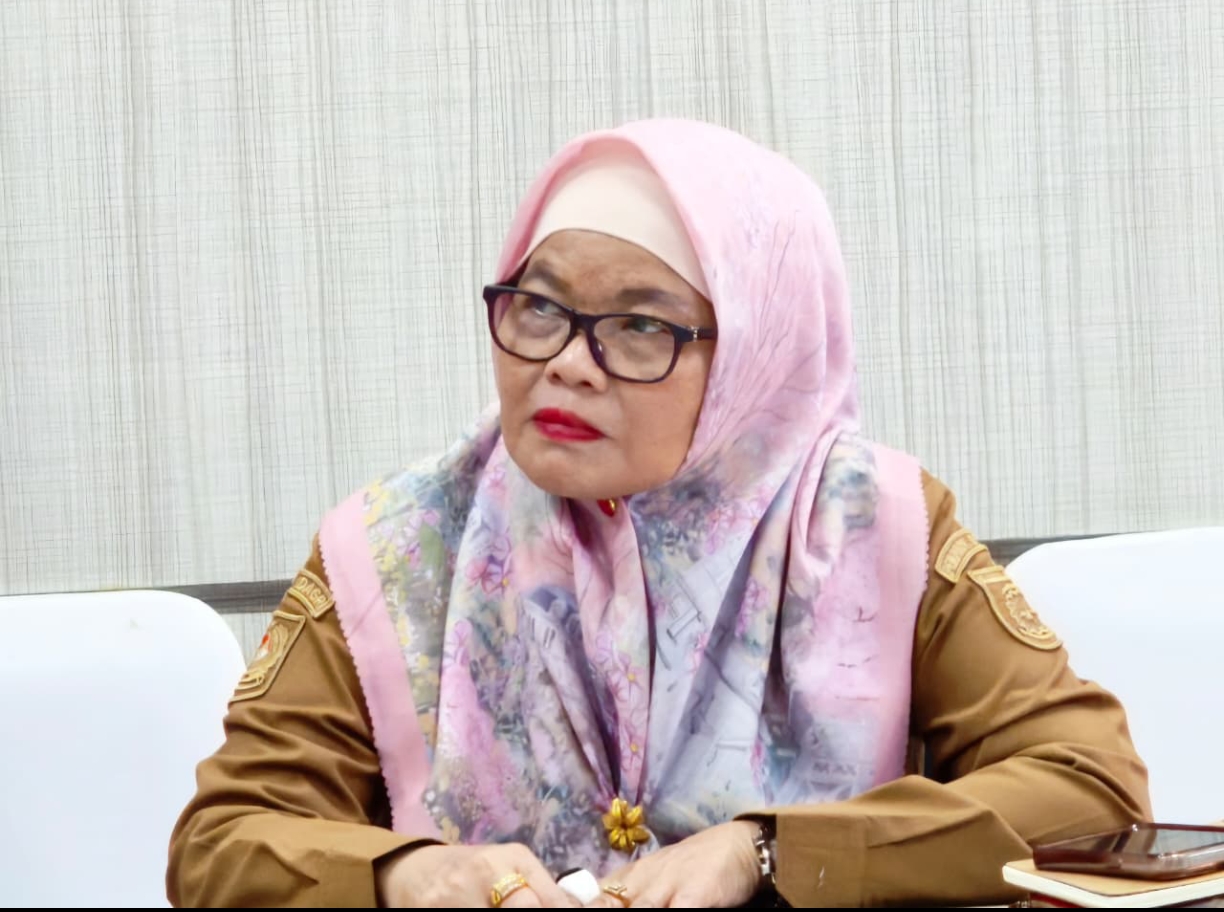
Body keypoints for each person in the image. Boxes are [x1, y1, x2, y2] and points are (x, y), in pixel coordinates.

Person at [167, 118, 1150, 908]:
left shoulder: (864, 526)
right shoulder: (402, 548)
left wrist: (771, 850)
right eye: (539, 306)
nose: (566, 362)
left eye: (639, 325)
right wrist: (403, 874)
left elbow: (1090, 790)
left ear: (755, 354)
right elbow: (221, 843)